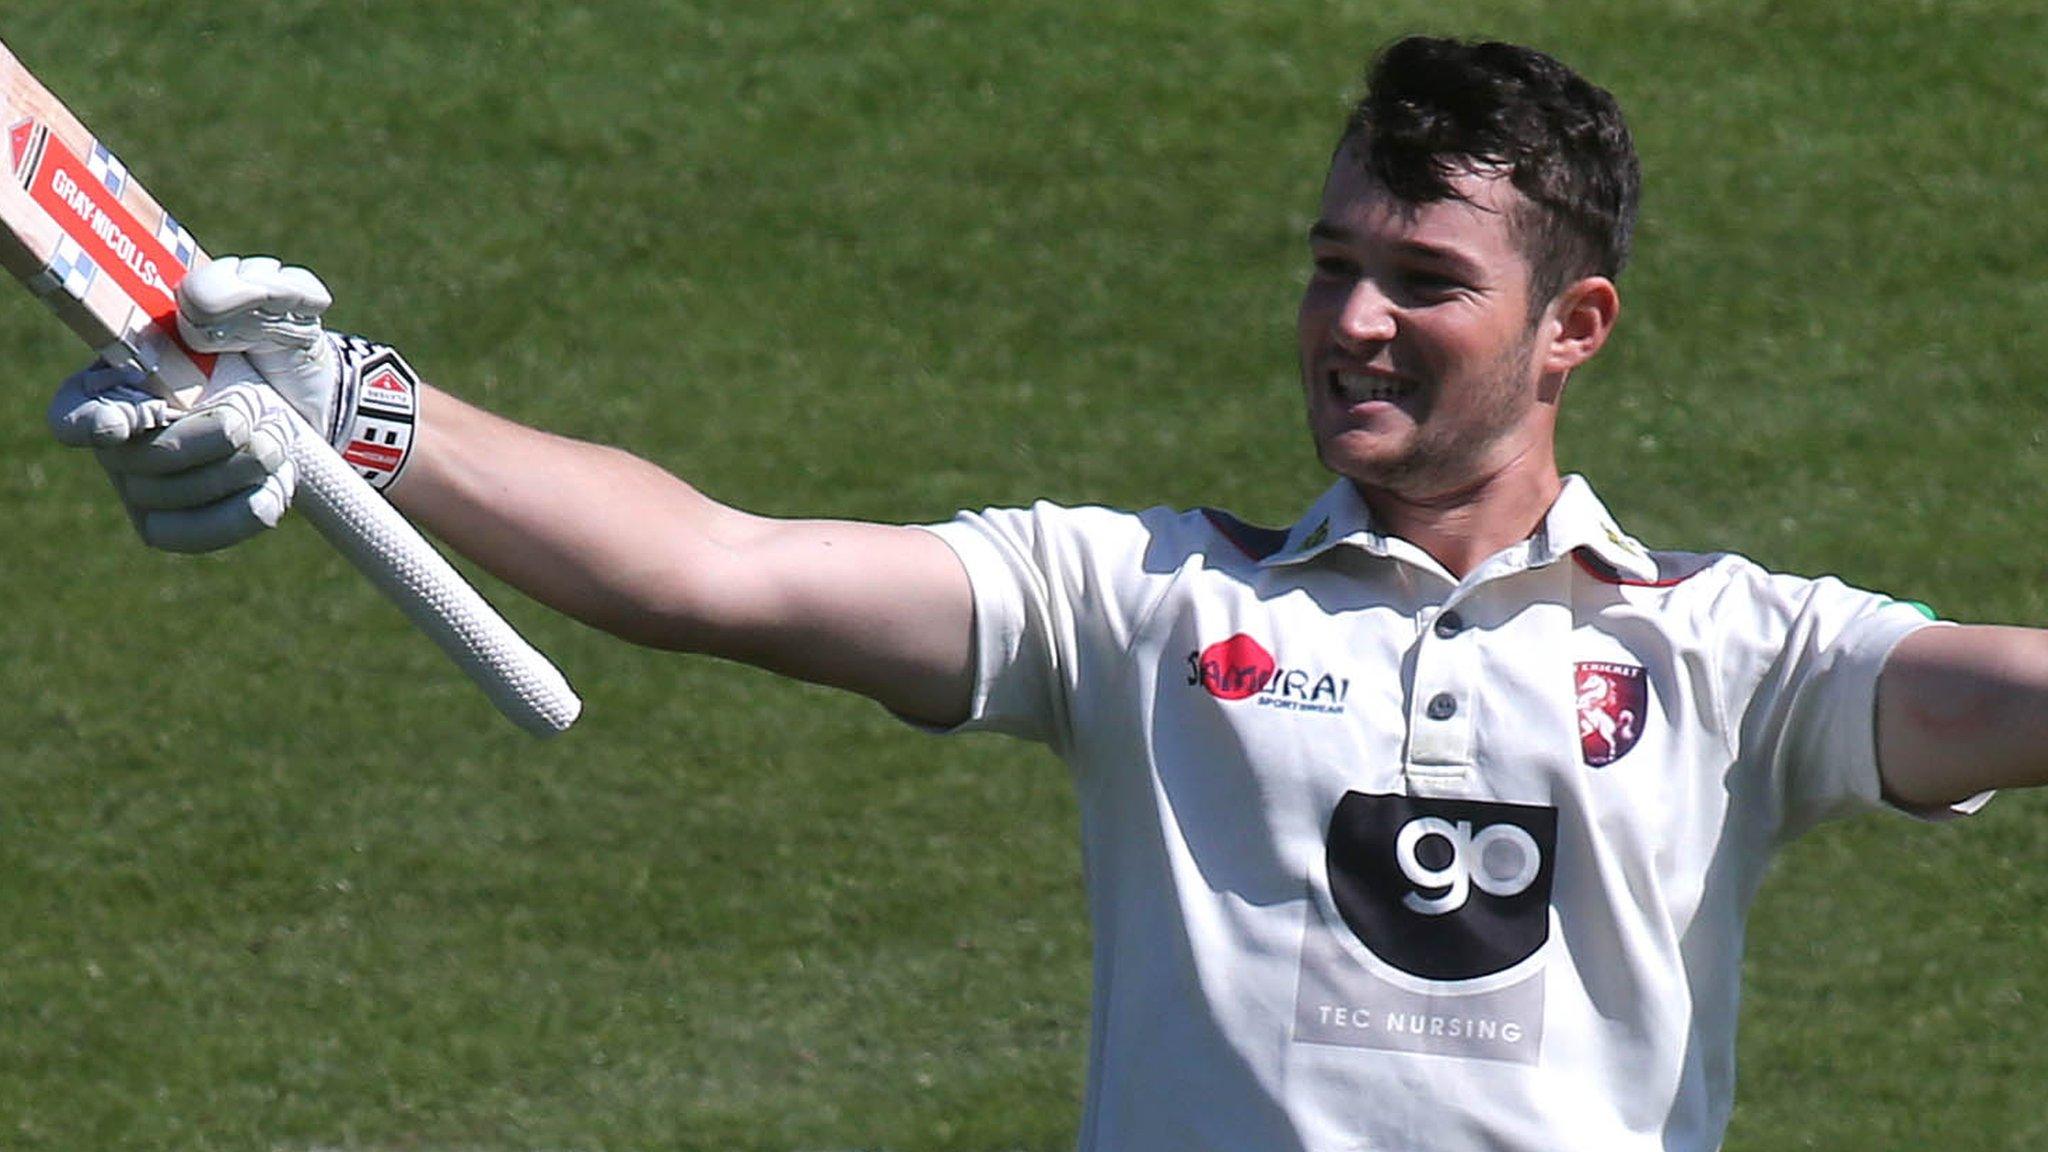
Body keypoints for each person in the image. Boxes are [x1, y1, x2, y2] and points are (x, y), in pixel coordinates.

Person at [43, 34, 2044, 1152]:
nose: (1351, 319)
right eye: (1330, 260)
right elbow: (707, 569)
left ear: (1568, 327)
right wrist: (359, 407)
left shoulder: (1726, 657)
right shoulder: (1140, 608)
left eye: (1422, 281)